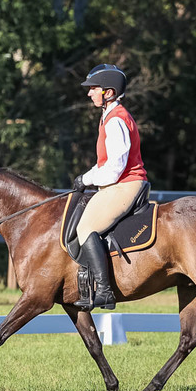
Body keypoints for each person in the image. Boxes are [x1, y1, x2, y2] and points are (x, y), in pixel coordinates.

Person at [72, 64, 149, 310]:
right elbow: (104, 163)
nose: (89, 93)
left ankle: (104, 291)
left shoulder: (116, 120)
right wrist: (87, 176)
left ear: (108, 92)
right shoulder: (108, 116)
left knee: (85, 228)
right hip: (118, 183)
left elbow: (115, 167)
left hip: (125, 184)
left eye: (93, 89)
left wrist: (86, 179)